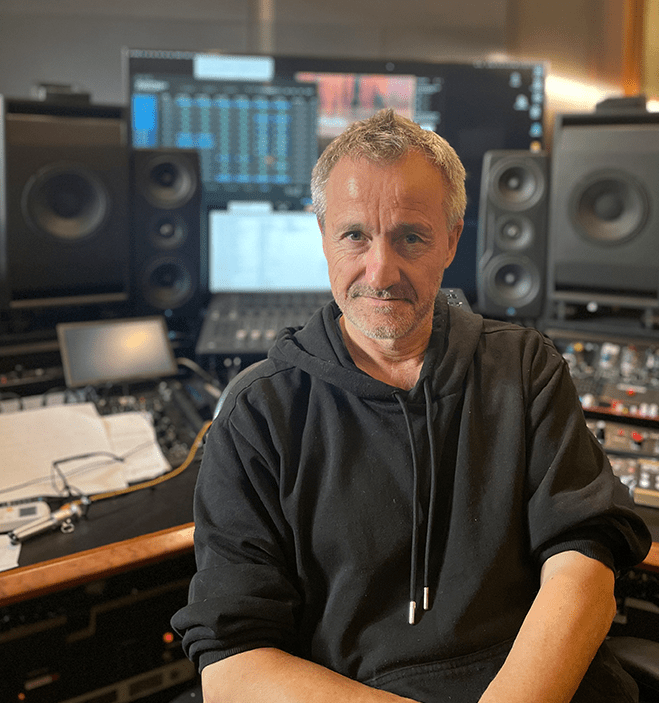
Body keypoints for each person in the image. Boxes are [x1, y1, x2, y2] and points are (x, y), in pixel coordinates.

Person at [172, 109, 652, 703]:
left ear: (451, 240)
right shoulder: (257, 412)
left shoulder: (525, 368)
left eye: (411, 237)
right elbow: (232, 665)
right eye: (355, 236)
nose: (381, 271)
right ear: (322, 235)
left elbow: (586, 564)